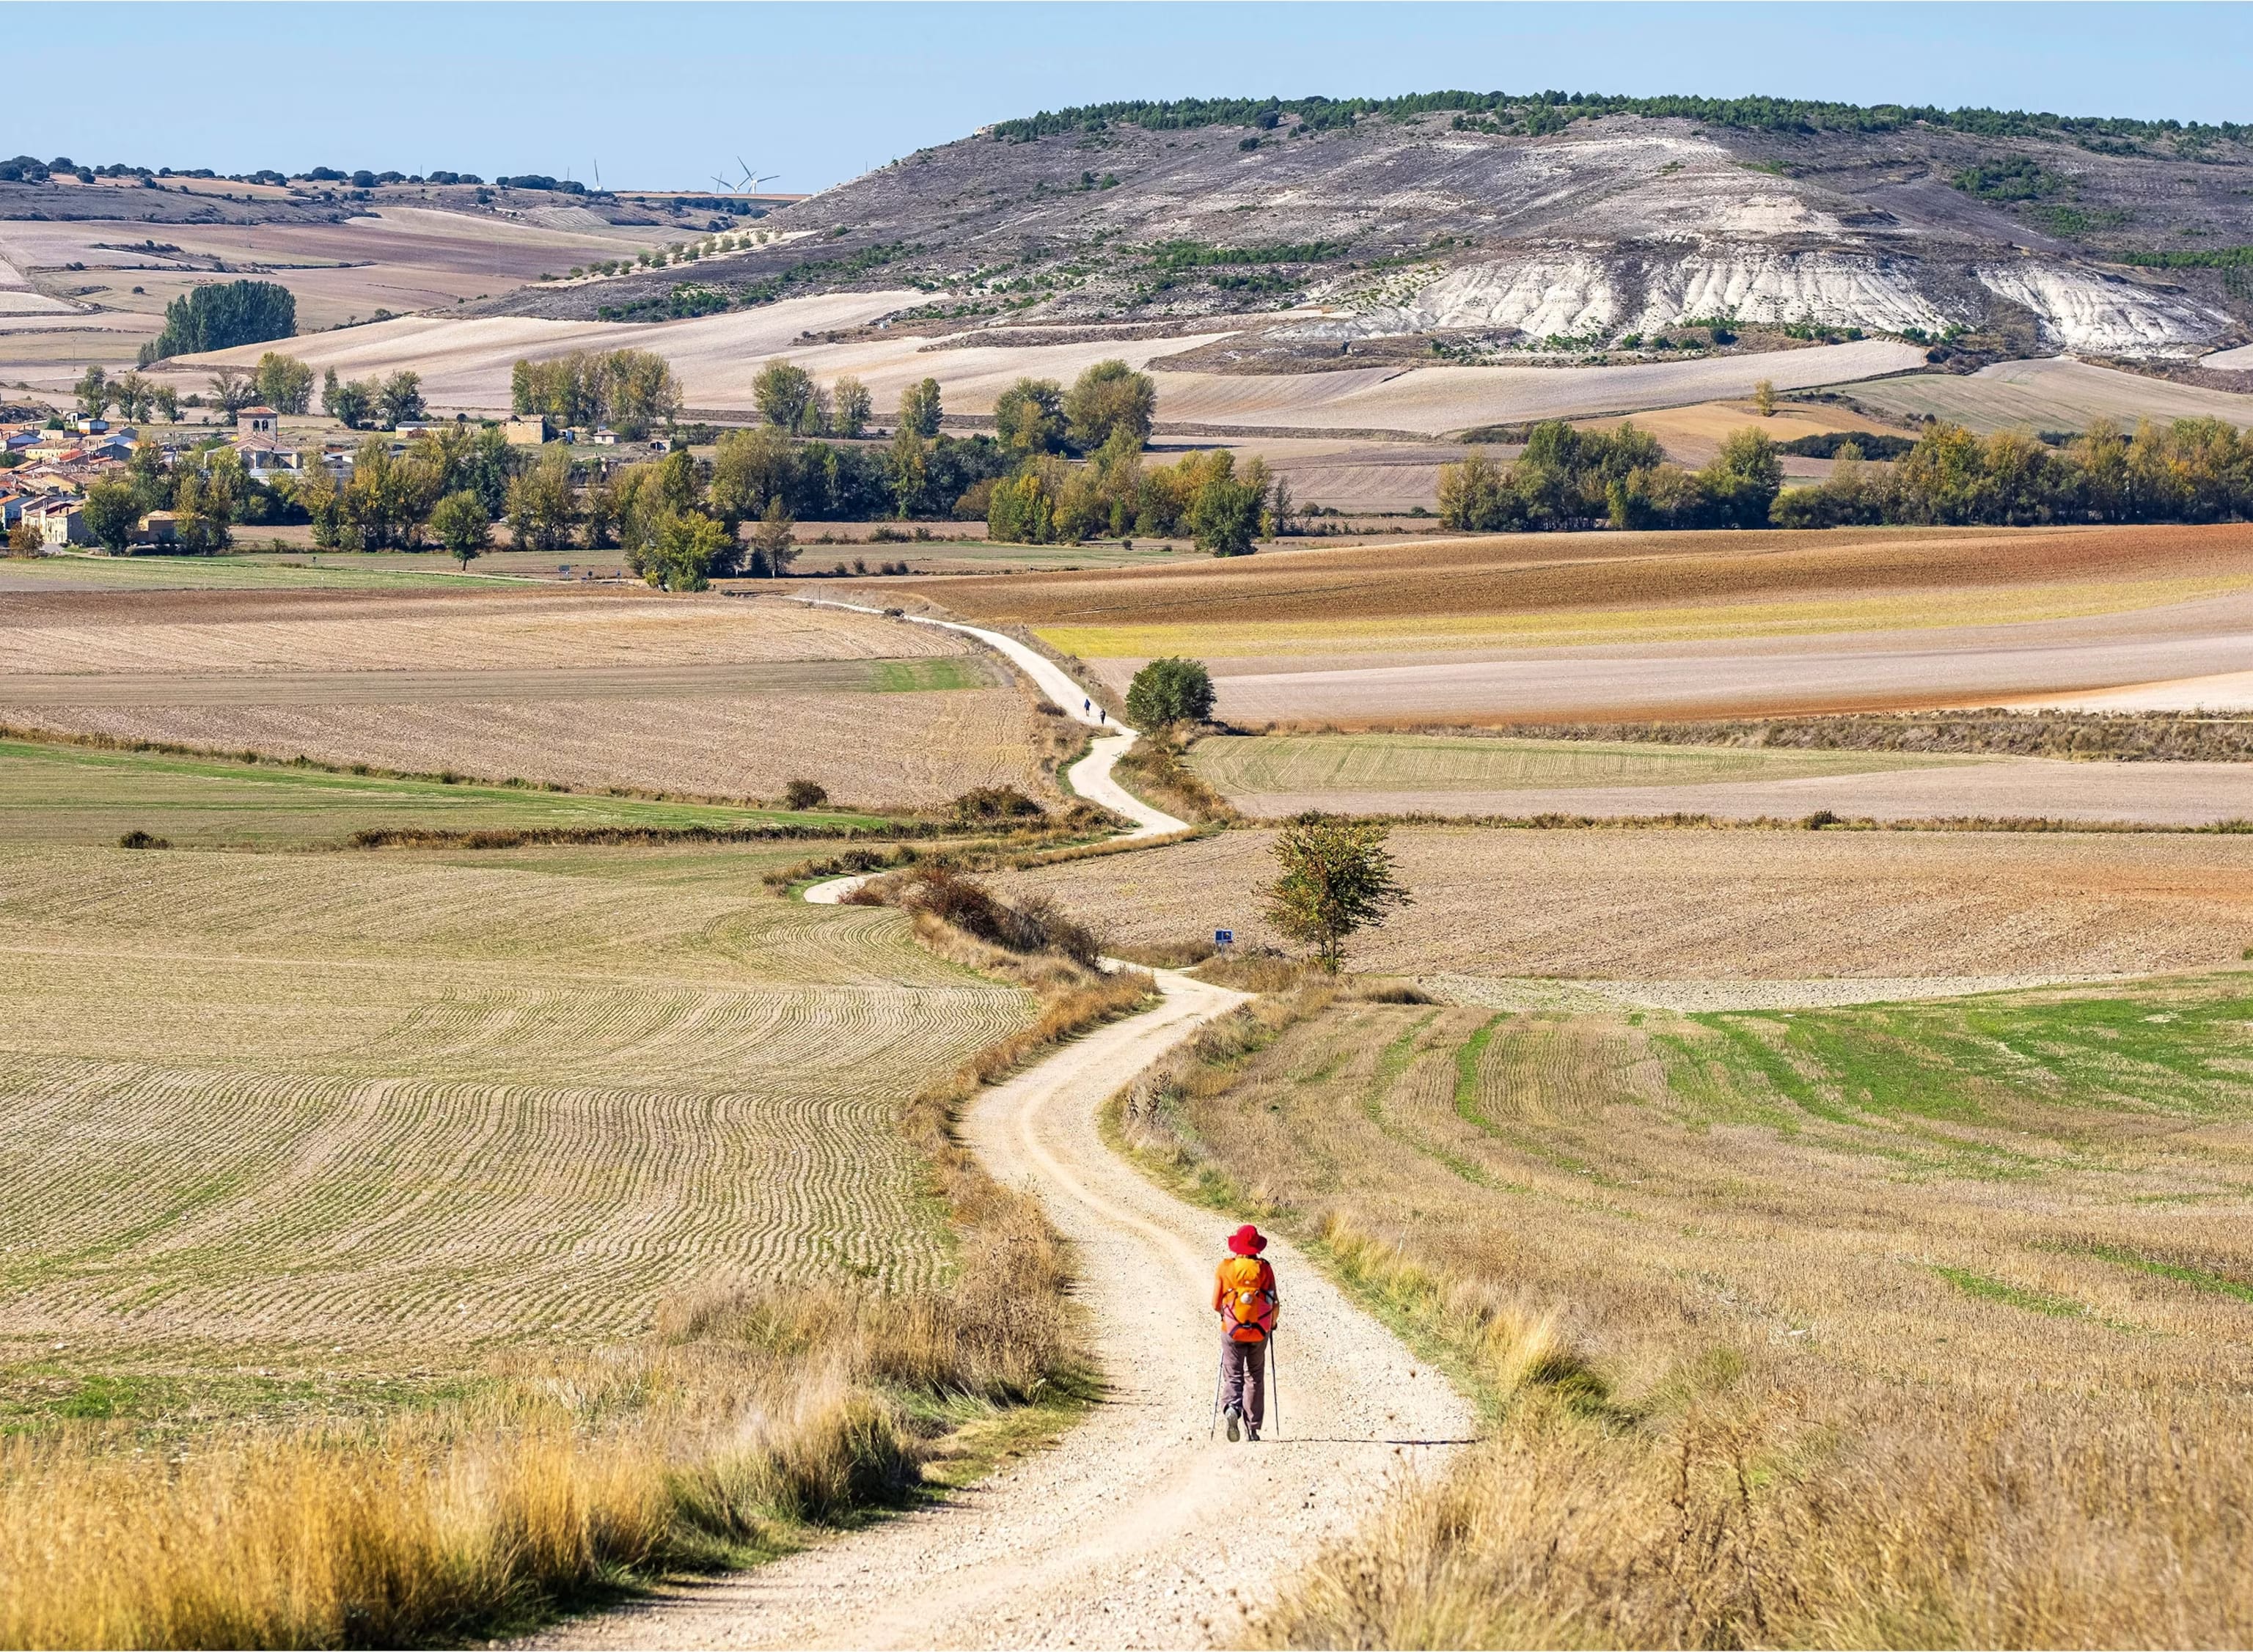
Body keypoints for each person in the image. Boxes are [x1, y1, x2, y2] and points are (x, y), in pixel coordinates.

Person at [1214, 1222, 1278, 1442]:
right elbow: (1273, 1303)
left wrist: (1226, 1315)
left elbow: (1216, 1303)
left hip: (1231, 1329)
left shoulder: (1226, 1267)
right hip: (1260, 1330)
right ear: (1257, 1247)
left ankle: (1232, 1407)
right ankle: (1253, 1428)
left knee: (1233, 1374)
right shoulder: (1265, 1268)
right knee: (1255, 1376)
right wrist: (1272, 1324)